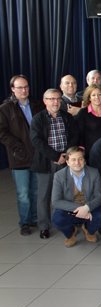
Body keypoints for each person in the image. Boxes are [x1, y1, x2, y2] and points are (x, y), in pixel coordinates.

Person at [30, 88, 79, 239]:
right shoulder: (38, 118)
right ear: (45, 101)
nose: (55, 102)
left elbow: (74, 136)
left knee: (67, 193)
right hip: (46, 161)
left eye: (58, 99)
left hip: (65, 161)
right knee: (44, 196)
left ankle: (69, 222)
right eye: (51, 99)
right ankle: (44, 226)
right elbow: (36, 140)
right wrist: (55, 155)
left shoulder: (67, 117)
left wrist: (65, 155)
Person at [0, 75, 44, 235]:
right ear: (13, 89)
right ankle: (24, 222)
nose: (24, 90)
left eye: (26, 87)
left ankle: (34, 218)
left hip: (37, 155)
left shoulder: (37, 105)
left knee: (35, 190)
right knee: (23, 193)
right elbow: (2, 133)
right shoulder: (5, 109)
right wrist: (17, 147)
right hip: (19, 157)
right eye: (20, 87)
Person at [51, 146, 101, 247]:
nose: (77, 163)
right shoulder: (59, 176)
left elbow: (99, 196)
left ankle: (89, 230)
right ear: (67, 162)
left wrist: (87, 208)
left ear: (84, 161)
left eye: (80, 159)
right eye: (73, 159)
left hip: (89, 207)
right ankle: (70, 234)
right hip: (69, 208)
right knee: (57, 219)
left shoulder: (94, 173)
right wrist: (80, 209)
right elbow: (56, 201)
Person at [76, 84, 101, 156]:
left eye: (99, 94)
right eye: (93, 95)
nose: (97, 97)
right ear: (89, 98)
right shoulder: (83, 113)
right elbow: (79, 133)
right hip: (90, 151)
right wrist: (81, 149)